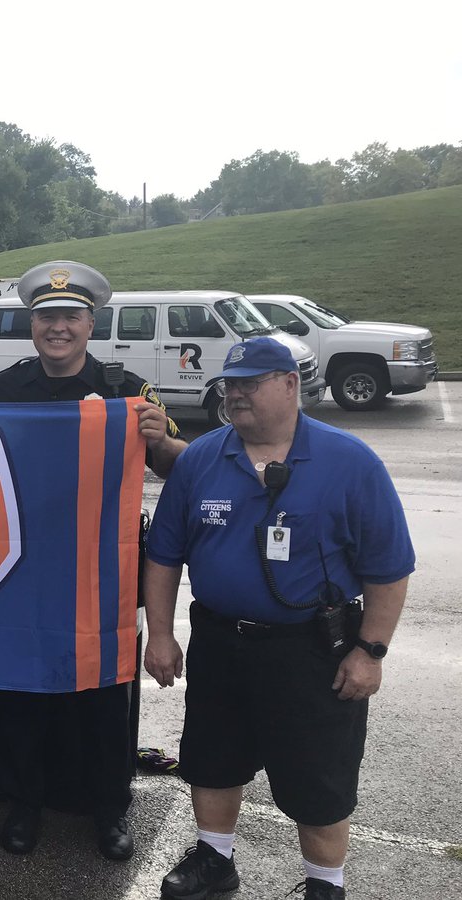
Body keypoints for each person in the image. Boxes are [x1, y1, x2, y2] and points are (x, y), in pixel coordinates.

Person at [143, 337, 414, 900]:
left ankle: (325, 885)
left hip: (312, 650)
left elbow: (388, 569)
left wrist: (372, 651)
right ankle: (215, 859)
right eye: (230, 385)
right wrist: (164, 636)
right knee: (212, 760)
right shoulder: (200, 459)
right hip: (220, 642)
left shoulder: (350, 462)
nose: (236, 396)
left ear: (290, 385)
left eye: (251, 383)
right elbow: (165, 554)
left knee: (319, 778)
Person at [0, 260, 187, 859]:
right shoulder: (6, 389)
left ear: (91, 323)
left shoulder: (126, 390)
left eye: (70, 316)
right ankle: (24, 805)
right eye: (46, 318)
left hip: (102, 572)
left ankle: (109, 810)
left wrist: (159, 436)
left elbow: (178, 465)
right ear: (32, 325)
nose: (58, 327)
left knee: (102, 696)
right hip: (17, 569)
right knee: (22, 695)